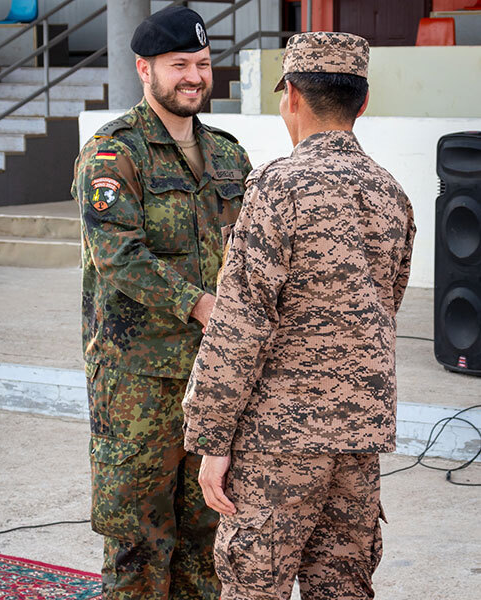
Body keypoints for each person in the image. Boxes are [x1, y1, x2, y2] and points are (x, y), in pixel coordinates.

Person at [183, 31, 416, 600]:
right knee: (343, 587)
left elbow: (239, 325)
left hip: (278, 443)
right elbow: (386, 306)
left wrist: (213, 440)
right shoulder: (392, 193)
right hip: (358, 442)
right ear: (363, 102)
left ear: (289, 95)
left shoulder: (275, 186)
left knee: (253, 588)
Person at [71, 5, 251, 599]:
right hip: (136, 383)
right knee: (139, 539)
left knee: (208, 531)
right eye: (180, 65)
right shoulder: (113, 153)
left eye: (203, 64)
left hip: (212, 379)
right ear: (144, 69)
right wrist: (201, 304)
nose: (195, 77)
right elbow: (118, 256)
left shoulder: (230, 155)